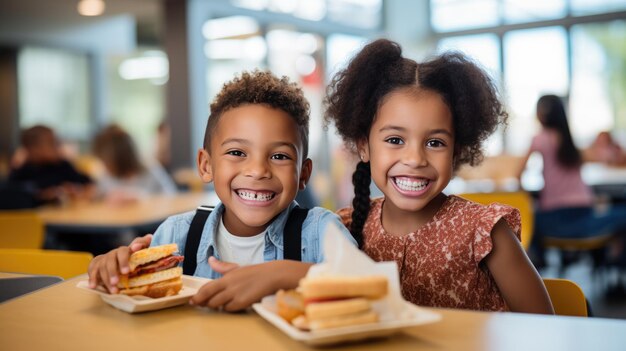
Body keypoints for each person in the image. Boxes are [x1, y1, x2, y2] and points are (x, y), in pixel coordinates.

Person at [88, 71, 357, 311]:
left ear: (304, 174)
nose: (258, 170)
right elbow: (139, 297)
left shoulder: (320, 231)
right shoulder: (177, 234)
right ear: (206, 166)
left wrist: (285, 274)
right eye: (237, 152)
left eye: (279, 156)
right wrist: (116, 269)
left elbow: (366, 285)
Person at [325, 39, 554, 314]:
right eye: (395, 139)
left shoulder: (486, 232)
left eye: (435, 143)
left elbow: (545, 326)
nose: (415, 159)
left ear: (456, 152)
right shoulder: (345, 229)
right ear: (364, 145)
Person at [517, 95, 626, 267]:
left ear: (541, 114)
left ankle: (538, 263)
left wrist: (528, 197)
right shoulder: (569, 139)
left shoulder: (540, 139)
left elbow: (518, 174)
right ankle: (614, 260)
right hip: (584, 213)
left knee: (529, 219)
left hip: (556, 218)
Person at [8, 125, 94, 205]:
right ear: (32, 148)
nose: (58, 146)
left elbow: (88, 183)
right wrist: (43, 196)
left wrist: (77, 192)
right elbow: (14, 197)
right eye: (51, 142)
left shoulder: (62, 166)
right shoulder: (21, 173)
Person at [92, 125, 177, 205]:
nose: (104, 166)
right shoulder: (106, 176)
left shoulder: (151, 169)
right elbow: (99, 198)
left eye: (105, 161)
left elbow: (172, 198)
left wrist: (141, 198)